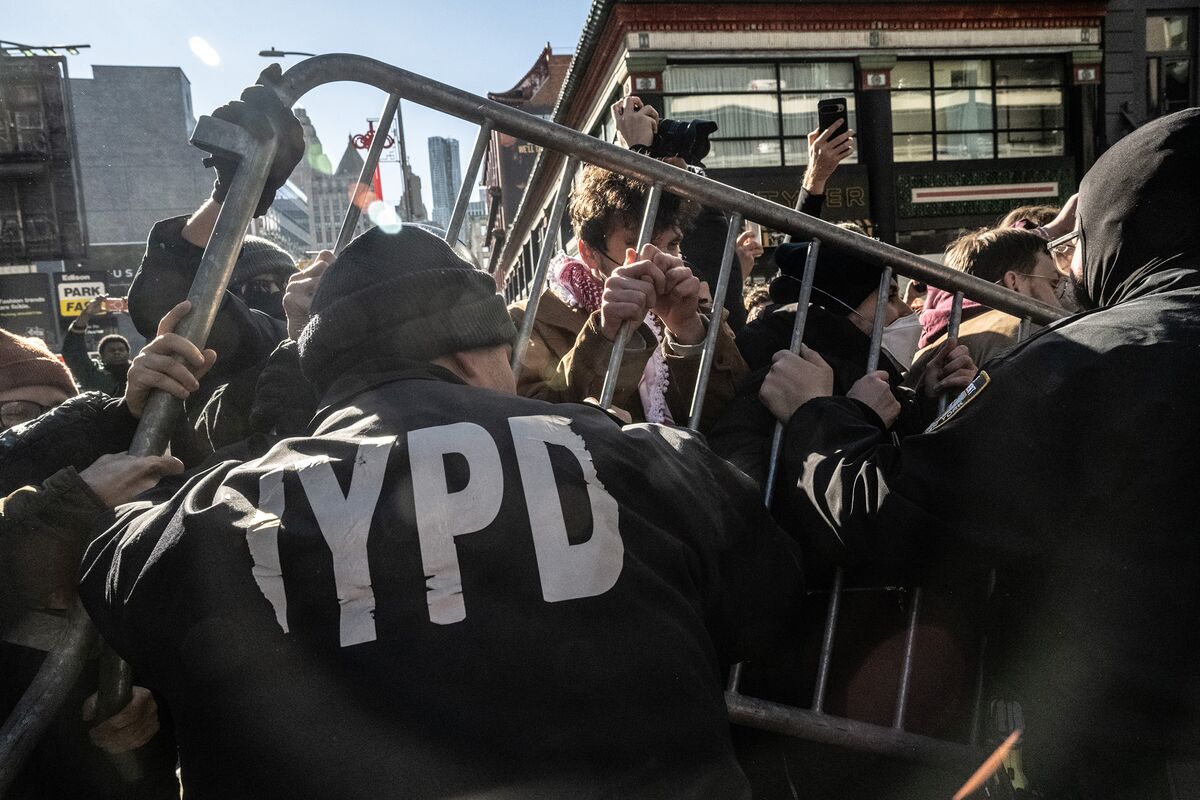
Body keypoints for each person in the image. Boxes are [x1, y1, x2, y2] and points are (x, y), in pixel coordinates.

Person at [79, 224, 805, 799]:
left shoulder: (219, 515)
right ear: (473, 348)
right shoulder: (641, 458)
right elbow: (768, 602)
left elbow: (105, 565)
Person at [758, 107, 1200, 798]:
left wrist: (820, 415)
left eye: (1074, 249)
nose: (1072, 274)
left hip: (1119, 757)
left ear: (1126, 228)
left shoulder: (1088, 364)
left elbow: (892, 514)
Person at [0, 325, 194, 799]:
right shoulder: (70, 506)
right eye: (13, 414)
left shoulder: (129, 526)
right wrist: (69, 507)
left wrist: (152, 715)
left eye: (52, 410)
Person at [125, 65, 306, 462]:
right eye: (254, 287)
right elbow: (175, 293)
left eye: (283, 282)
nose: (273, 293)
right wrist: (233, 191)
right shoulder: (222, 346)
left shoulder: (310, 340)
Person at [509, 163, 746, 429]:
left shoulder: (691, 304)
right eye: (636, 245)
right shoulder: (531, 320)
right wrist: (606, 334)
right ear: (589, 253)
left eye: (672, 244)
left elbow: (734, 415)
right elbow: (535, 422)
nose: (657, 259)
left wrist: (687, 330)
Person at [610, 96, 854, 332]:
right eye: (667, 164)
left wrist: (638, 152)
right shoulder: (659, 299)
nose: (683, 167)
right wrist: (638, 153)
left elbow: (788, 276)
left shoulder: (744, 333)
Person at [905, 227, 1064, 390]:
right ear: (1014, 283)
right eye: (1054, 283)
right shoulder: (1021, 333)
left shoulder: (922, 349)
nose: (1062, 297)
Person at [62, 296, 131, 395]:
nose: (117, 352)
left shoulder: (140, 369)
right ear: (101, 356)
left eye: (121, 349)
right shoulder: (93, 374)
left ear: (129, 354)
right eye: (111, 350)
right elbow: (73, 353)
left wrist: (136, 313)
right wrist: (86, 314)